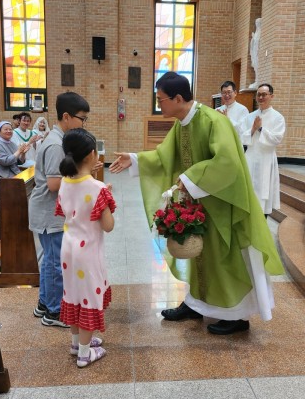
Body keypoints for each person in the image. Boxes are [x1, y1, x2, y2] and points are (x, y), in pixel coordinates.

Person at [109, 71, 285, 335]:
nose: (159, 105)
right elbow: (165, 156)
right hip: (200, 202)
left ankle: (236, 315)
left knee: (223, 258)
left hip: (223, 202)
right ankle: (196, 304)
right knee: (200, 257)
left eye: (161, 99)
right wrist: (135, 159)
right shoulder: (182, 124)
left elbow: (227, 162)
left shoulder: (214, 121)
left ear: (178, 99)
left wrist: (190, 177)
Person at [29, 92, 90, 328]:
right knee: (56, 263)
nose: (84, 124)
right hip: (49, 212)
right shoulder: (55, 144)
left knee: (49, 261)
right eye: (82, 119)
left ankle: (45, 303)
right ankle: (55, 312)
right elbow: (55, 184)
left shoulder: (57, 139)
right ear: (66, 116)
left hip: (46, 211)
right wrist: (83, 175)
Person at [56, 128, 116, 367]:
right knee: (89, 297)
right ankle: (84, 353)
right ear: (92, 154)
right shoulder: (97, 187)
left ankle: (76, 343)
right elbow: (108, 226)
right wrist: (106, 199)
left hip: (68, 249)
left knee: (73, 294)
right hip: (88, 253)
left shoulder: (64, 181)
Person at [240, 83, 286, 217]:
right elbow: (241, 136)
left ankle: (262, 222)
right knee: (248, 192)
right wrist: (253, 129)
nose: (261, 97)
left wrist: (260, 129)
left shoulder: (278, 117)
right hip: (250, 157)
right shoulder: (250, 116)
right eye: (258, 94)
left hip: (266, 159)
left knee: (262, 194)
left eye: (264, 94)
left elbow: (277, 138)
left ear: (271, 96)